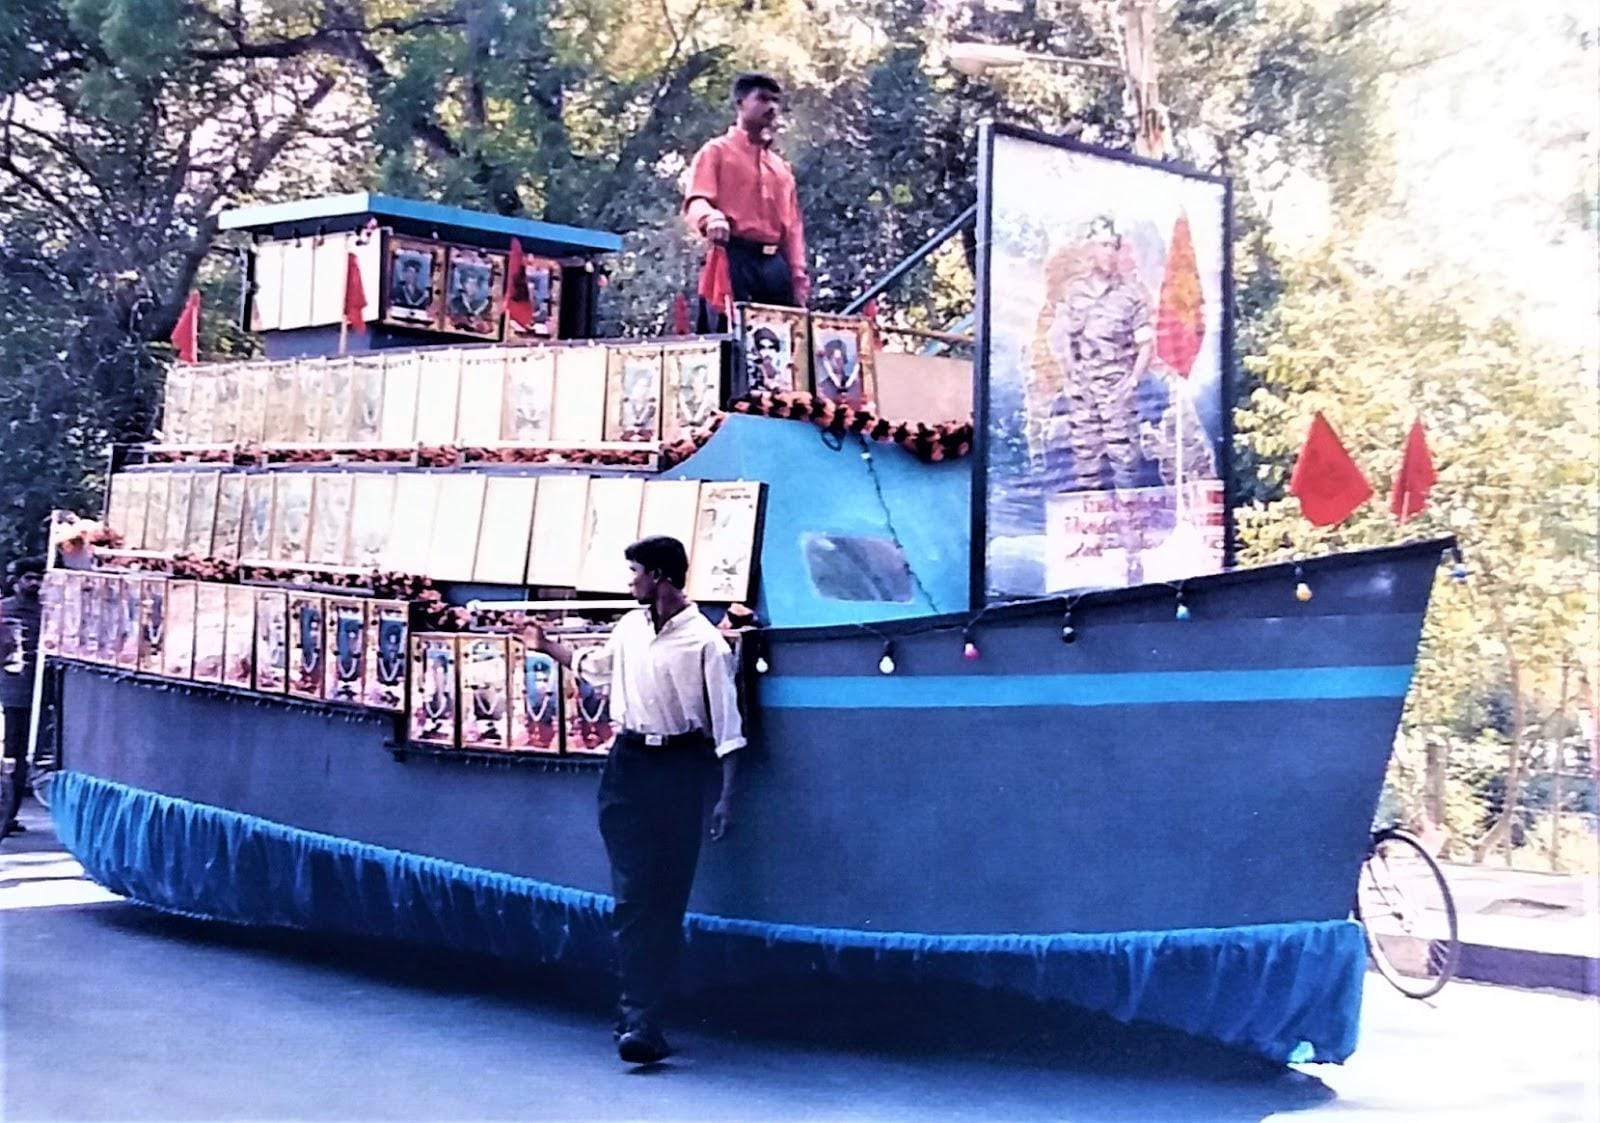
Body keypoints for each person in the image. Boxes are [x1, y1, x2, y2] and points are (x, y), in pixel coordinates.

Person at [523, 536, 744, 1066]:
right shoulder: (628, 627)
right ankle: (639, 1016)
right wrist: (544, 644)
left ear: (662, 577)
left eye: (635, 572)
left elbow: (728, 728)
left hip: (679, 769)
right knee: (633, 896)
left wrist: (726, 799)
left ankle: (642, 1016)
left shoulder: (706, 646)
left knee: (663, 901)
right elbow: (595, 666)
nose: (630, 582)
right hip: (627, 766)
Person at [684, 72, 809, 330]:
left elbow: (793, 228)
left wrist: (798, 273)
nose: (771, 107)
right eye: (762, 99)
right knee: (729, 339)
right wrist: (711, 218)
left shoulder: (781, 168)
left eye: (775, 101)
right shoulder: (716, 152)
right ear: (740, 103)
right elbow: (696, 200)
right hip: (733, 256)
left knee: (782, 343)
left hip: (775, 264)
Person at [1046, 215, 1155, 491]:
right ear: (1091, 250)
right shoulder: (1075, 293)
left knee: (1125, 459)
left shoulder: (1131, 295)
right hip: (1083, 390)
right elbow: (1065, 338)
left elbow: (1146, 344)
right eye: (1103, 245)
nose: (1109, 252)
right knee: (1086, 458)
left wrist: (1131, 382)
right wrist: (1071, 375)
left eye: (1114, 246)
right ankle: (1091, 522)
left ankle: (1128, 522)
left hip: (1116, 386)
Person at [1, 557, 46, 834]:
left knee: (23, 758)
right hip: (8, 693)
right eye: (29, 578)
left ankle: (9, 814)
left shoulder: (47, 613)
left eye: (38, 579)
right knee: (8, 756)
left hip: (37, 695)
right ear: (16, 581)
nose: (34, 584)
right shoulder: (3, 611)